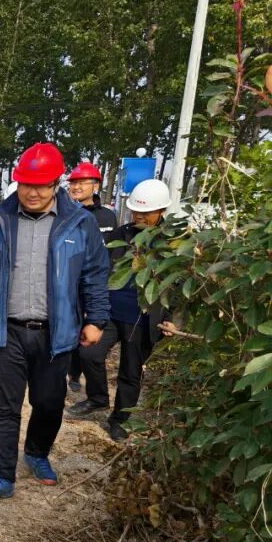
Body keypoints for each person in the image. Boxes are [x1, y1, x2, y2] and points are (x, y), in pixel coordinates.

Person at [0, 142, 110, 501]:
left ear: (56, 183)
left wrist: (96, 319)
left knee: (48, 402)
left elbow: (95, 274)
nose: (33, 193)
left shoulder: (80, 222)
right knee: (4, 408)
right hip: (6, 330)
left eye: (42, 185)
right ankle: (1, 476)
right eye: (27, 184)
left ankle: (37, 452)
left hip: (55, 332)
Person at [69, 179, 174, 442]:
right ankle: (98, 398)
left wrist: (173, 320)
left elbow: (178, 285)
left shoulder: (172, 243)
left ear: (161, 211)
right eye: (135, 211)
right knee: (88, 353)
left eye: (146, 212)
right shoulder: (120, 235)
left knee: (131, 372)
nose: (139, 216)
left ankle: (119, 420)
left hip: (143, 318)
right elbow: (101, 270)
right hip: (111, 312)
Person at [66, 162, 117, 392]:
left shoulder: (107, 217)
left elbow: (112, 252)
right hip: (69, 282)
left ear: (95, 185)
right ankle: (68, 371)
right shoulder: (65, 213)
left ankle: (78, 374)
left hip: (94, 282)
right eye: (73, 182)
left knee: (88, 328)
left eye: (82, 182)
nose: (76, 187)